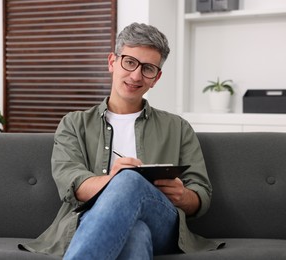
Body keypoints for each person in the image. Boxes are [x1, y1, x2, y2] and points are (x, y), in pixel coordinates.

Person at [19, 22, 223, 259]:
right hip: (87, 220)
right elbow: (71, 182)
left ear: (156, 78)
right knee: (135, 234)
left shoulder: (178, 127)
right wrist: (114, 180)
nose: (136, 75)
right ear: (112, 62)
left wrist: (184, 196)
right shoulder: (74, 123)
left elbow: (202, 194)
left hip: (163, 223)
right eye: (129, 62)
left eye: (147, 68)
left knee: (130, 181)